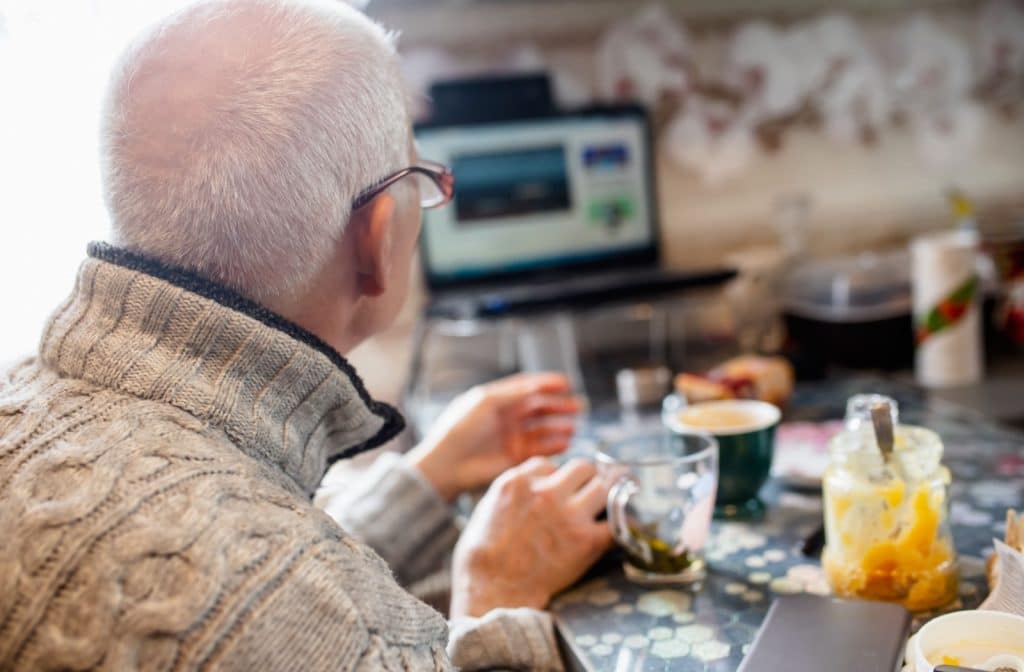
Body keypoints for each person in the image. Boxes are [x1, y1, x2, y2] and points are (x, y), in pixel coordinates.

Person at [0, 0, 614, 670]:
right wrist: (500, 591)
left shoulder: (24, 404)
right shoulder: (282, 604)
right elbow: (272, 602)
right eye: (420, 178)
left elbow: (240, 559)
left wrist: (426, 478)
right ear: (376, 240)